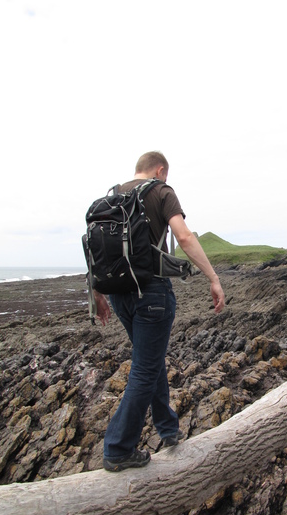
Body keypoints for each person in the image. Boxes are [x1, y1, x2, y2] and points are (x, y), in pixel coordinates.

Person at [94, 151, 225, 472]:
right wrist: (213, 277)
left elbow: (98, 248)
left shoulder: (113, 196)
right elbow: (183, 235)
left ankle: (168, 429)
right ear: (160, 170)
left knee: (148, 361)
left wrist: (96, 292)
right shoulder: (161, 190)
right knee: (144, 368)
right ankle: (118, 448)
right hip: (151, 292)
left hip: (119, 294)